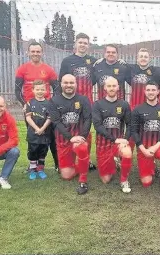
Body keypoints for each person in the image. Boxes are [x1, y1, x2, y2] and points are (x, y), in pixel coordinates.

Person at [15, 41, 59, 171]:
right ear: (28, 53)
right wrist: (24, 104)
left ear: (42, 52)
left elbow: (57, 88)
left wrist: (52, 104)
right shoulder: (22, 69)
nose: (35, 53)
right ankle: (33, 164)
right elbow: (17, 91)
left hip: (46, 109)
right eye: (33, 51)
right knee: (33, 137)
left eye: (38, 51)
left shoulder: (48, 69)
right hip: (30, 110)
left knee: (51, 137)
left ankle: (58, 164)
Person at [59, 32, 97, 171]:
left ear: (88, 45)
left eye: (85, 43)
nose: (82, 45)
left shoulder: (93, 61)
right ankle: (69, 159)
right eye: (80, 42)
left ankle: (85, 159)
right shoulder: (67, 61)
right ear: (75, 44)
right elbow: (60, 82)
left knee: (87, 130)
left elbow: (98, 77)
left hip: (87, 102)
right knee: (70, 128)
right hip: (69, 101)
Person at [131, 80, 160, 193]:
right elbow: (134, 131)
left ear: (158, 91)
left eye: (153, 90)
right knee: (146, 183)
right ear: (144, 91)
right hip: (144, 148)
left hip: (158, 146)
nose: (150, 92)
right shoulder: (138, 109)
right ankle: (152, 166)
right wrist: (143, 149)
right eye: (148, 90)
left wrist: (155, 147)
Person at [49, 74, 92, 195]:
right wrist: (71, 137)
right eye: (66, 83)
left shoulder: (83, 100)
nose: (69, 85)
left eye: (71, 83)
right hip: (64, 140)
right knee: (66, 176)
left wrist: (82, 136)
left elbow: (88, 119)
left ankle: (83, 180)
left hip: (80, 139)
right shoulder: (53, 101)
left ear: (76, 84)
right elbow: (56, 121)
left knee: (82, 147)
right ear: (61, 84)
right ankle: (82, 164)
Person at [92, 77, 133, 193]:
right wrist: (114, 139)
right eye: (109, 86)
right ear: (104, 88)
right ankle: (114, 161)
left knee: (127, 152)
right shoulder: (97, 105)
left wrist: (125, 139)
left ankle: (124, 180)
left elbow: (129, 124)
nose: (111, 88)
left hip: (118, 144)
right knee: (106, 180)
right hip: (103, 144)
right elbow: (98, 126)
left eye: (114, 86)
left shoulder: (124, 104)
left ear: (118, 87)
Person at [25, 80, 52, 180]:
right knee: (33, 152)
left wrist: (42, 129)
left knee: (42, 152)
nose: (40, 91)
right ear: (33, 90)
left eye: (42, 89)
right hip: (33, 134)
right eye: (37, 89)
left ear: (46, 90)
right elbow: (28, 118)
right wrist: (37, 129)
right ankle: (32, 170)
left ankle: (40, 169)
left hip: (45, 133)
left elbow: (50, 118)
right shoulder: (30, 103)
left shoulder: (49, 103)